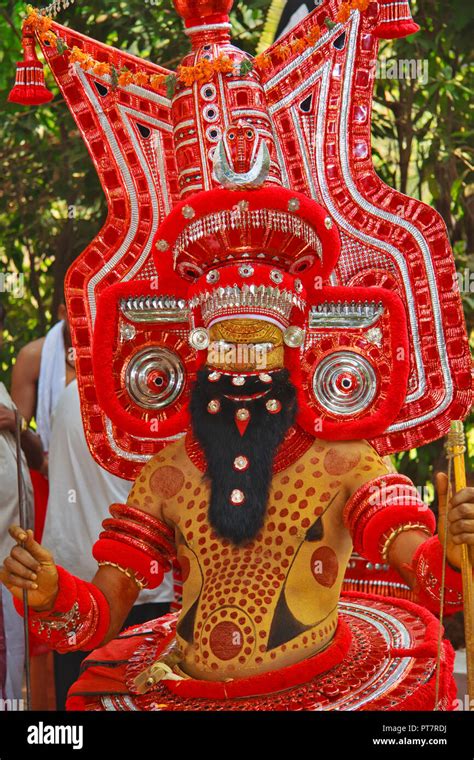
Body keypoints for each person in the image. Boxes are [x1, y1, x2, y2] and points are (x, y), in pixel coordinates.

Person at [2, 0, 473, 712]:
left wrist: (465, 551)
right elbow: (94, 618)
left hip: (320, 688)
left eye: (260, 350)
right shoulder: (167, 472)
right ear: (192, 358)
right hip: (185, 687)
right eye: (224, 351)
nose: (241, 374)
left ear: (295, 355)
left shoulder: (344, 461)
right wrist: (49, 591)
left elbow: (437, 583)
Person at [0, 301, 42, 707]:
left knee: (16, 652)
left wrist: (19, 423)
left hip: (14, 547)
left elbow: (34, 454)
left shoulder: (0, 388)